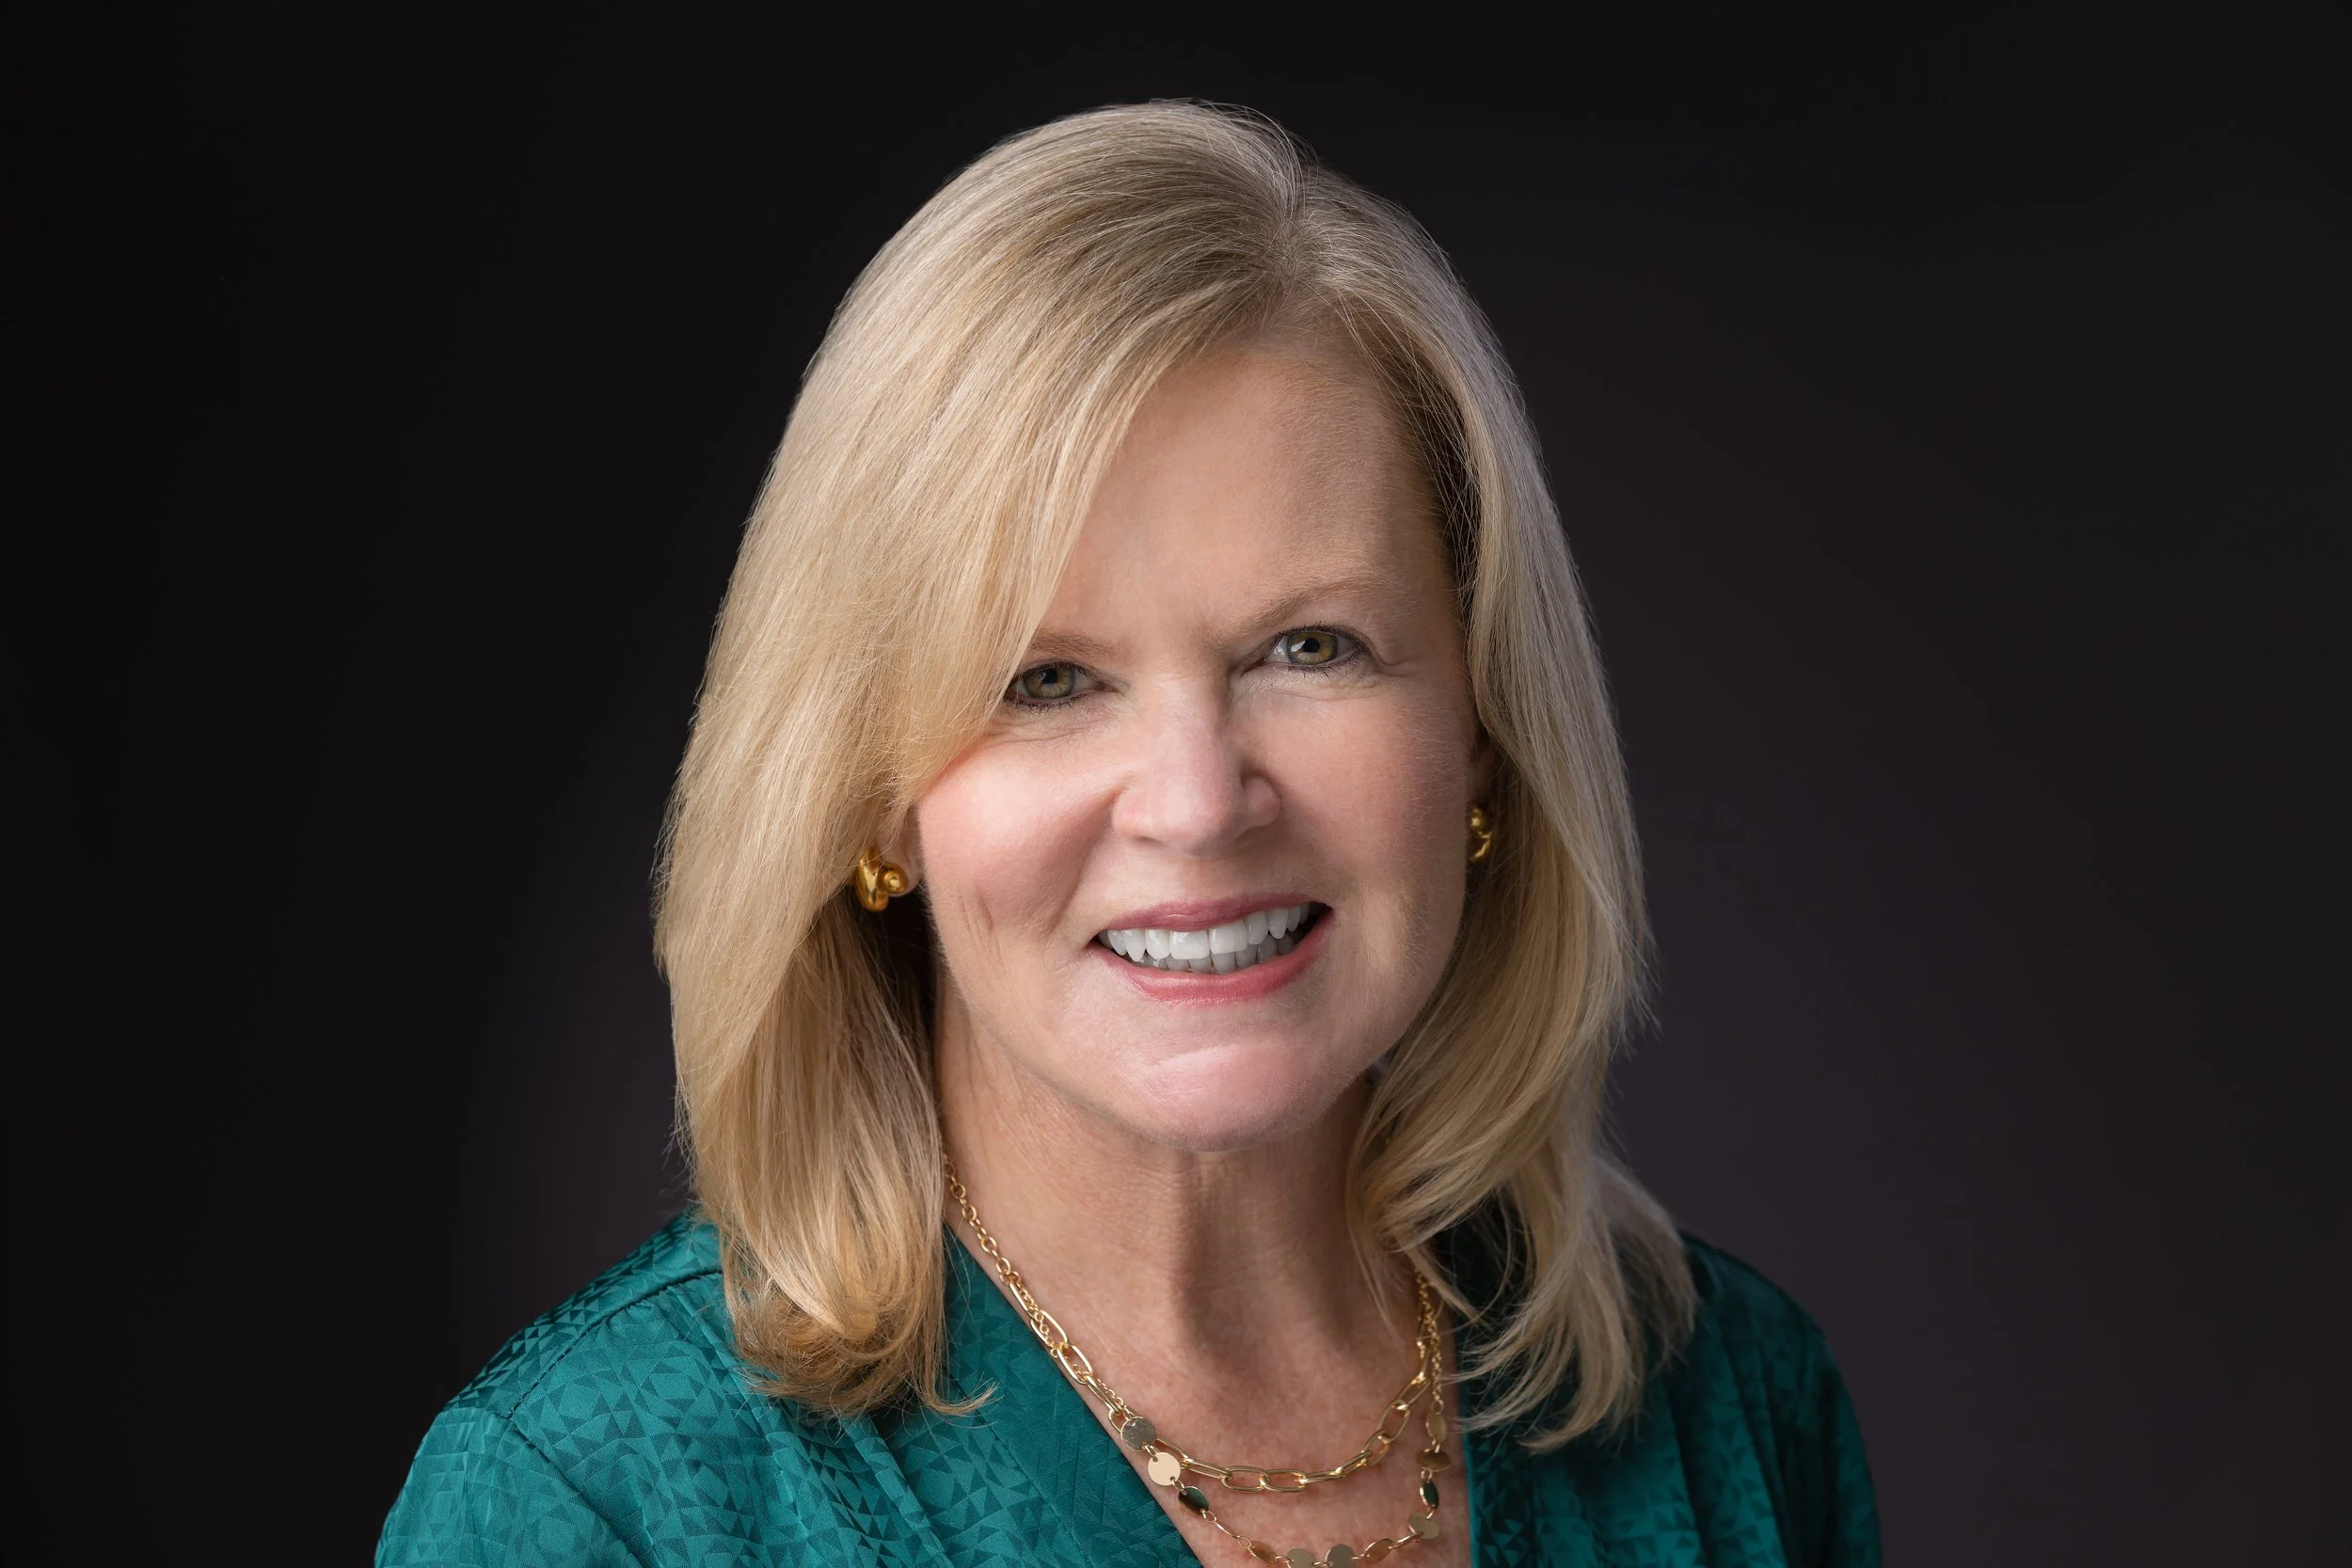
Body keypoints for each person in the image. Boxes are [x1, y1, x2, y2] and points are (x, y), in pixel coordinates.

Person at [377, 101, 1880, 1568]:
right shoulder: (590, 1507)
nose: (1198, 797)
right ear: (869, 804)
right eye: (1046, 680)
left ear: (1483, 733)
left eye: (1309, 647)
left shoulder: (1730, 1409)